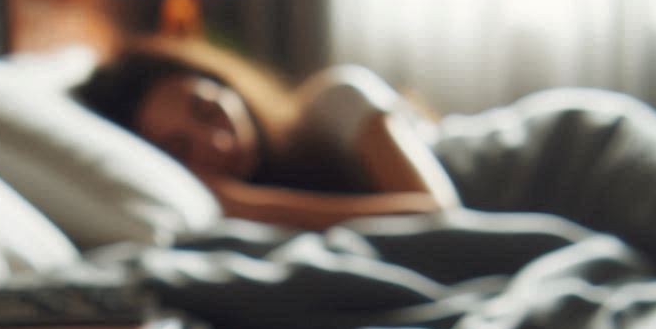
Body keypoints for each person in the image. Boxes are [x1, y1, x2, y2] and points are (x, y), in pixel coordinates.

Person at [74, 35, 462, 230]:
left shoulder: (337, 100)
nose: (219, 143)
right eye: (180, 149)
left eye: (208, 111)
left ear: (229, 84)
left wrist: (245, 204)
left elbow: (440, 216)